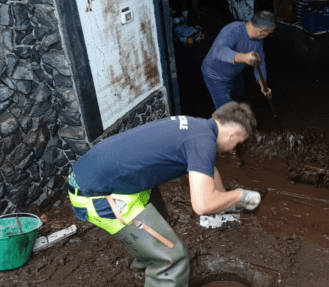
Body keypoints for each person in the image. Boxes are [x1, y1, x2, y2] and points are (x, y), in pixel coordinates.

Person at [67, 102, 262, 287]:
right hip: (95, 196)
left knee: (160, 217)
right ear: (235, 133)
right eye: (238, 143)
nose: (234, 149)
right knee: (172, 256)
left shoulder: (197, 128)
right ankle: (157, 262)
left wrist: (225, 201)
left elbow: (208, 169)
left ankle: (144, 260)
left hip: (99, 178)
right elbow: (202, 206)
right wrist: (239, 195)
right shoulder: (204, 142)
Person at [201, 10, 276, 109]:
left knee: (239, 101)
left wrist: (263, 84)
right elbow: (219, 52)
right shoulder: (232, 30)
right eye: (270, 33)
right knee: (226, 111)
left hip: (235, 74)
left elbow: (260, 63)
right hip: (216, 75)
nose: (269, 36)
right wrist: (244, 57)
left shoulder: (258, 41)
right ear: (261, 31)